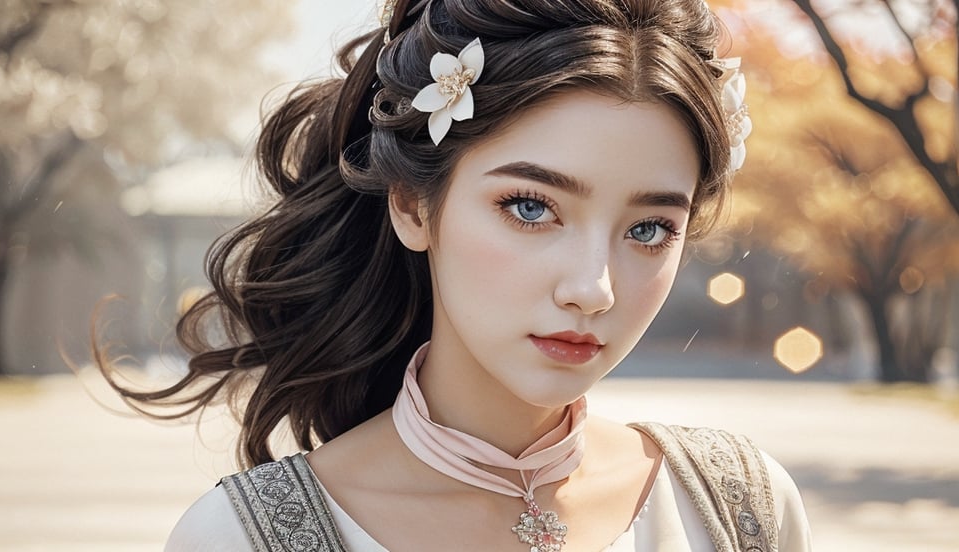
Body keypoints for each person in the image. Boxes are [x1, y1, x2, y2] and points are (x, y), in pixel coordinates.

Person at [102, 0, 811, 549]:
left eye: (649, 229)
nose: (593, 288)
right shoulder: (243, 538)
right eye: (531, 207)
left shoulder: (737, 509)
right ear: (413, 204)